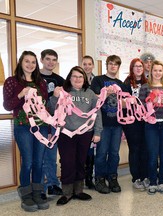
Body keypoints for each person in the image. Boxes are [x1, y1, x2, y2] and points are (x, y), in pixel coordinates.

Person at [49, 66, 102, 205]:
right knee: (67, 162)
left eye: (80, 76)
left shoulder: (90, 94)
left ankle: (78, 190)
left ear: (84, 78)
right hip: (66, 133)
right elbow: (51, 109)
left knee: (80, 161)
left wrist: (97, 132)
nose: (77, 79)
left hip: (85, 133)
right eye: (74, 76)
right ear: (69, 78)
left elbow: (97, 113)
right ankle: (66, 193)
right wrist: (54, 97)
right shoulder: (63, 92)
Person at [3, 51, 49, 212]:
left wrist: (49, 127)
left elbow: (45, 106)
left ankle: (37, 192)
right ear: (20, 63)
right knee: (28, 162)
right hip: (23, 126)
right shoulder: (12, 81)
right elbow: (8, 106)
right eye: (27, 61)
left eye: (33, 62)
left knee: (39, 161)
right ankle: (26, 194)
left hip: (41, 126)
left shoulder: (40, 82)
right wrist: (21, 94)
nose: (30, 65)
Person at [90, 55, 127, 194]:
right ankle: (99, 179)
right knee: (101, 153)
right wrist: (105, 94)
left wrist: (128, 102)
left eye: (116, 64)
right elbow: (93, 99)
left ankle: (112, 178)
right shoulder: (98, 80)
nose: (113, 66)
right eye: (110, 63)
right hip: (102, 124)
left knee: (114, 153)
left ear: (118, 67)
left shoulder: (120, 83)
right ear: (107, 65)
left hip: (117, 124)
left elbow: (123, 103)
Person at [139, 60, 163, 195]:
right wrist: (150, 103)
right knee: (152, 154)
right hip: (151, 125)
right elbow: (140, 107)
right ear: (151, 71)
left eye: (160, 70)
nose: (157, 73)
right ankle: (153, 182)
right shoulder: (145, 87)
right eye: (155, 70)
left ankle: (162, 181)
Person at [40, 49, 64, 199]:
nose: (51, 62)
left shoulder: (60, 80)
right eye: (48, 59)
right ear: (41, 60)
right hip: (39, 123)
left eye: (54, 60)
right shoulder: (35, 78)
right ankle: (41, 188)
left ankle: (53, 185)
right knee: (40, 157)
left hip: (54, 122)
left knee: (51, 155)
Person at [122, 58, 149, 190]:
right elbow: (121, 103)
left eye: (140, 66)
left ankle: (145, 176)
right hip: (131, 122)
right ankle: (136, 177)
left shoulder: (147, 83)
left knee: (145, 148)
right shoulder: (126, 83)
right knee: (135, 148)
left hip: (145, 120)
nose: (138, 68)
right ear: (132, 68)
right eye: (135, 66)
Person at [81, 55, 96, 189]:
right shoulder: (77, 80)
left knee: (91, 150)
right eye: (84, 64)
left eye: (89, 64)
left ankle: (89, 178)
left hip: (94, 119)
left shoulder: (97, 81)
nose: (87, 67)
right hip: (79, 121)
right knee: (82, 151)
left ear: (93, 66)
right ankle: (79, 178)